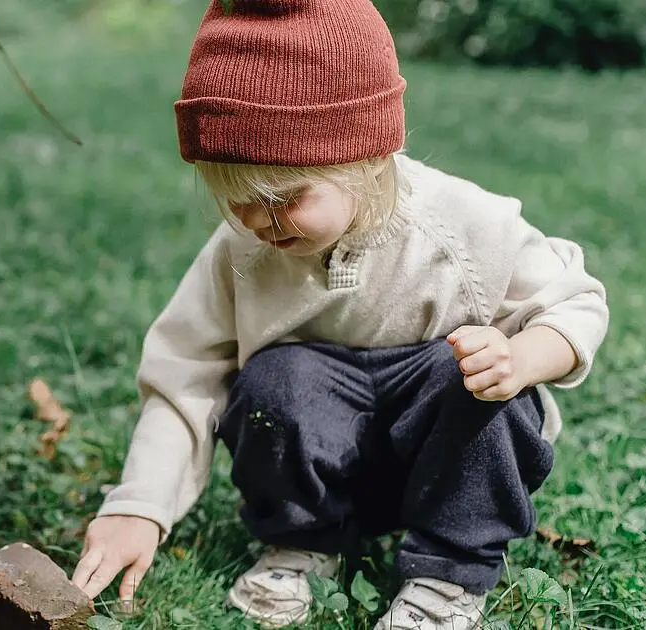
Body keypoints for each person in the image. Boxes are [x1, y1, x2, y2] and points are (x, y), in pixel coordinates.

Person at [69, 0, 610, 627]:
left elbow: (576, 300)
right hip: (321, 461)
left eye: (286, 198)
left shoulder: (462, 226)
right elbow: (184, 375)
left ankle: (446, 576)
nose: (261, 224)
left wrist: (523, 357)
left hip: (441, 460)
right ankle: (304, 542)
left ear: (368, 158)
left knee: (475, 381)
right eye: (237, 199)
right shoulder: (242, 253)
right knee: (279, 378)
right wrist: (139, 505)